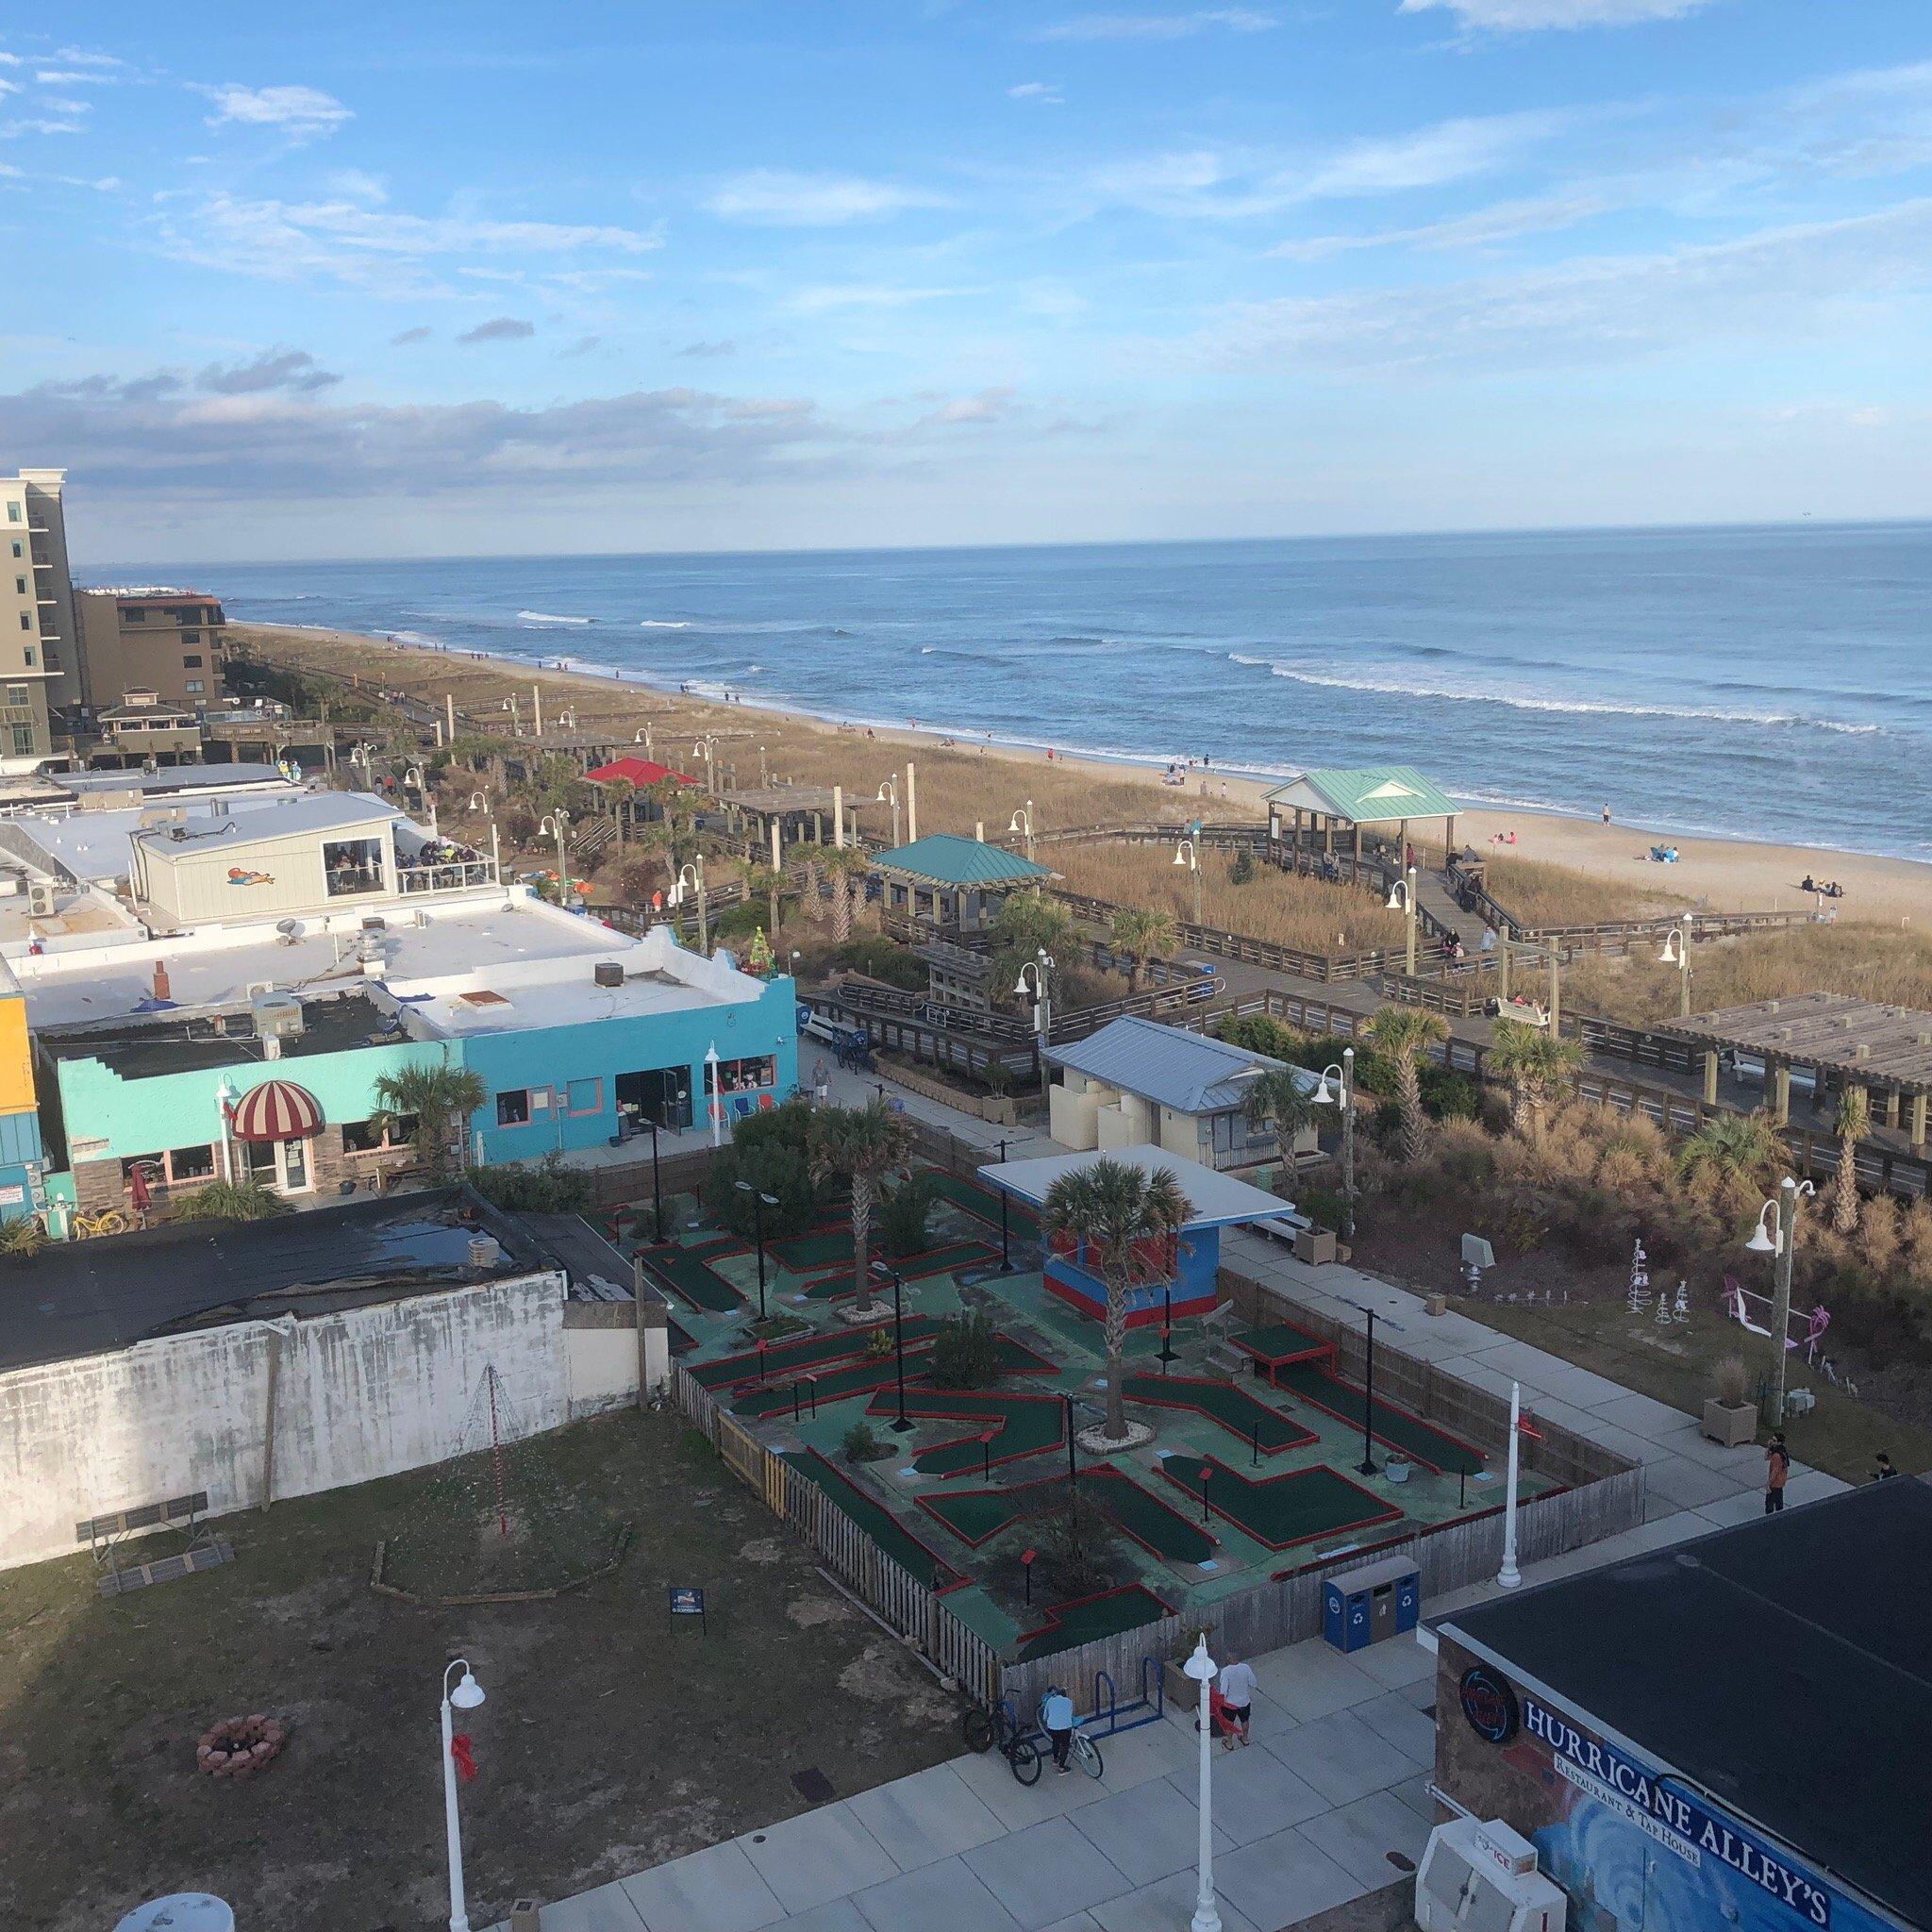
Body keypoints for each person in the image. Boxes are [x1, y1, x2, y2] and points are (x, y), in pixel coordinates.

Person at [1217, 1652, 1257, 1749]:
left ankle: (1229, 1743)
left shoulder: (1225, 1672)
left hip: (1230, 1704)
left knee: (1229, 1723)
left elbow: (1223, 1691)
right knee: (1245, 1720)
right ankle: (1245, 1738)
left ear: (1229, 1659)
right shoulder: (1246, 1668)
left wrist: (1221, 1702)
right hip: (1244, 1702)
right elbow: (1254, 1683)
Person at [1041, 1685, 1076, 1774]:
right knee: (1065, 1745)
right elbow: (1070, 1714)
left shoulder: (1050, 1701)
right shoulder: (1069, 1701)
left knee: (1055, 1742)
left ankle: (1055, 1759)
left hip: (1053, 1727)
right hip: (1065, 1728)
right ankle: (1062, 1767)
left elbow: (1044, 1718)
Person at [1764, 1432, 1790, 1514]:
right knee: (1779, 1500)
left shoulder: (1776, 1455)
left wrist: (1768, 1484)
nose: (1772, 1441)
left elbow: (1775, 1471)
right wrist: (1769, 1447)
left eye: (1774, 1440)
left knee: (1769, 1502)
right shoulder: (1781, 1450)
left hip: (1775, 1482)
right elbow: (1767, 1457)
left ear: (1779, 1442)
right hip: (1781, 1480)